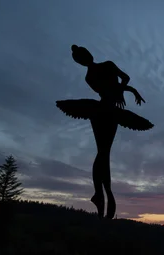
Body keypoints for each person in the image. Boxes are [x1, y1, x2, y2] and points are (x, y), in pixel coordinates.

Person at [56, 45, 153, 219]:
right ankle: (104, 193)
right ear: (80, 61)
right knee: (103, 152)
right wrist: (125, 92)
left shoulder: (102, 68)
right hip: (104, 110)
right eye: (81, 59)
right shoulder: (90, 76)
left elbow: (122, 81)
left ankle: (101, 194)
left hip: (107, 110)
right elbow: (115, 86)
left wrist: (127, 92)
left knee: (103, 152)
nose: (85, 59)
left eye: (84, 56)